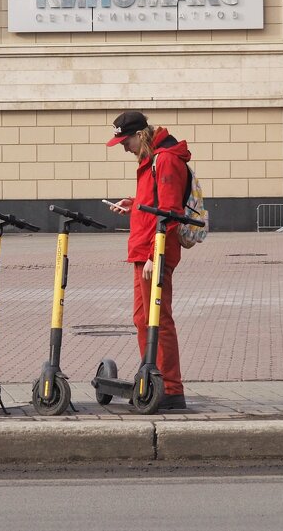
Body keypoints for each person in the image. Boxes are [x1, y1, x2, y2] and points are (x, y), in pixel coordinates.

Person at [104, 110, 191, 411]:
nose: (124, 149)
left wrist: (156, 255)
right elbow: (155, 204)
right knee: (143, 319)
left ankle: (170, 388)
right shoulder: (150, 159)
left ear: (140, 135)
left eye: (125, 142)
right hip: (144, 251)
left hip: (154, 252)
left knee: (159, 319)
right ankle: (152, 379)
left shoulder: (164, 160)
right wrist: (135, 204)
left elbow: (168, 212)